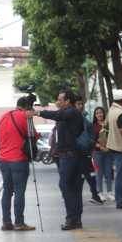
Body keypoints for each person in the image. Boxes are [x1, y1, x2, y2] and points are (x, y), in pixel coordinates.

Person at [37, 90, 86, 230]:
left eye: (60, 99)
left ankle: (72, 218)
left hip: (70, 155)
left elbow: (57, 115)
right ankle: (75, 219)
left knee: (66, 186)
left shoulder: (70, 112)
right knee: (73, 187)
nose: (57, 102)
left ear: (67, 101)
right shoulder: (66, 115)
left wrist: (38, 113)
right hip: (68, 155)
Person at [0, 95, 37, 231]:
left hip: (3, 160)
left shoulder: (3, 117)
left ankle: (6, 222)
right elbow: (32, 135)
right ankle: (19, 222)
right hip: (18, 160)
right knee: (19, 191)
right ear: (27, 107)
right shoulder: (25, 117)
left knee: (7, 191)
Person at [74, 100, 102, 205]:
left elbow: (91, 135)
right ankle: (82, 196)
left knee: (89, 174)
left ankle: (94, 195)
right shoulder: (72, 119)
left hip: (85, 152)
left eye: (82, 104)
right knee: (82, 175)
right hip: (76, 152)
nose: (81, 106)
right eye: (78, 104)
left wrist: (90, 144)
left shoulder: (85, 119)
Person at [92, 106, 113, 199]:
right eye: (97, 113)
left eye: (101, 112)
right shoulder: (93, 126)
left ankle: (109, 192)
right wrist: (100, 147)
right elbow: (92, 141)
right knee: (99, 173)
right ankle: (100, 192)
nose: (99, 114)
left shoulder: (108, 124)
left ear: (104, 113)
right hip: (97, 152)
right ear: (95, 115)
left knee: (108, 172)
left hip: (108, 151)